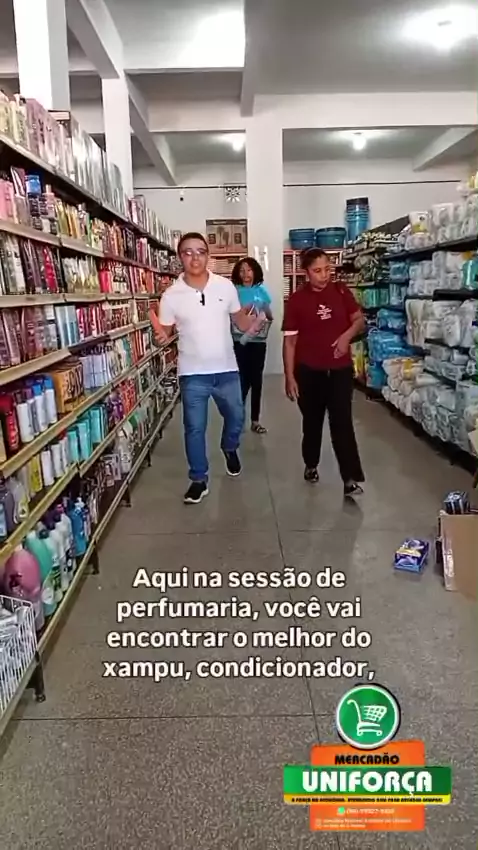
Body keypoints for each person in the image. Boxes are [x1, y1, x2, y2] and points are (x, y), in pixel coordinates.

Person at [150, 232, 257, 504]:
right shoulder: (171, 296)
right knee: (194, 428)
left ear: (208, 255)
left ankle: (229, 447)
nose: (195, 257)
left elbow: (239, 321)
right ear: (180, 257)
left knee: (237, 417)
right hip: (192, 373)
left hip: (226, 369)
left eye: (200, 251)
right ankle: (199, 479)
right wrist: (159, 336)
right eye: (188, 252)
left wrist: (253, 321)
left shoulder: (225, 287)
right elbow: (165, 332)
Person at [282, 248, 365, 497]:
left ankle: (349, 478)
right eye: (317, 271)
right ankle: (311, 464)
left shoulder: (341, 291)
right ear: (306, 273)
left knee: (342, 422)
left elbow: (358, 320)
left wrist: (346, 337)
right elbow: (290, 342)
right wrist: (289, 377)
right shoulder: (297, 300)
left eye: (327, 269)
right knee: (312, 422)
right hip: (309, 371)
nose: (324, 275)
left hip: (339, 370)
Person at [231, 257, 273, 434]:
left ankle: (255, 420)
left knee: (256, 381)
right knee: (240, 381)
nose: (245, 274)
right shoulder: (233, 292)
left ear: (255, 272)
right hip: (239, 341)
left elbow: (270, 316)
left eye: (249, 270)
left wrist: (263, 310)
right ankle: (237, 419)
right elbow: (230, 315)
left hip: (258, 342)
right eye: (241, 270)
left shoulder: (262, 291)